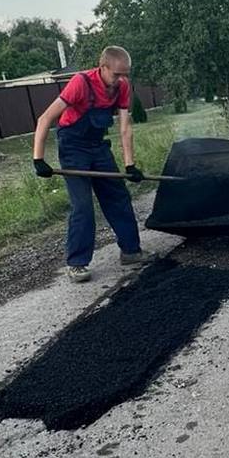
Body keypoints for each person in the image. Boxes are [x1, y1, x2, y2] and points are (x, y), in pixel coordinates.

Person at [32, 46, 152, 283]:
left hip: (97, 146)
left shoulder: (122, 86)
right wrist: (38, 159)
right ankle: (76, 263)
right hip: (73, 146)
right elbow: (45, 118)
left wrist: (130, 165)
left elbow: (125, 128)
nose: (121, 79)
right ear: (103, 67)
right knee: (83, 205)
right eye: (117, 74)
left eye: (125, 74)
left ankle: (130, 251)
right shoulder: (81, 83)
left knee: (118, 195)